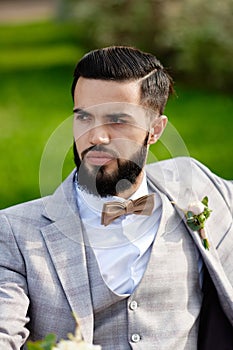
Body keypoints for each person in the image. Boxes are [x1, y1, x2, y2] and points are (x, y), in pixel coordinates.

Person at [0, 46, 232, 350]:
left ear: (156, 130)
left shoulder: (198, 189)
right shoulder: (15, 232)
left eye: (117, 120)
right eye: (84, 117)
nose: (96, 137)